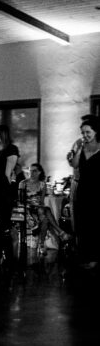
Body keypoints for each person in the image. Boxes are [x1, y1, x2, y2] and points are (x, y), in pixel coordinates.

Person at [68, 115, 100, 269]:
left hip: (98, 189)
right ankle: (85, 256)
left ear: (96, 131)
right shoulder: (81, 146)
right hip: (83, 188)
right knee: (82, 223)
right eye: (83, 133)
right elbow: (74, 165)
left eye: (88, 132)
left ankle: (95, 258)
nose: (85, 135)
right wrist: (79, 148)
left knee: (96, 223)